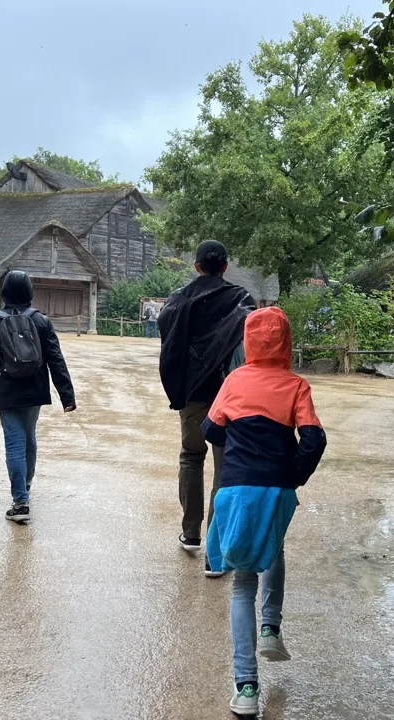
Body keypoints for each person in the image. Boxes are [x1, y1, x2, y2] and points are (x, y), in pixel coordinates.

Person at [201, 307, 327, 716]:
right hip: (277, 490)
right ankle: (271, 627)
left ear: (248, 341)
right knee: (274, 547)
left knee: (241, 584)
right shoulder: (297, 386)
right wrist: (294, 476)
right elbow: (313, 439)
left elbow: (210, 430)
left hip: (235, 489)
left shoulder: (235, 381)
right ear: (286, 343)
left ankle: (246, 688)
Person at [158, 240, 255, 575]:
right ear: (225, 266)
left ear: (197, 266)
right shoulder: (241, 300)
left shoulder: (178, 300)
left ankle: (190, 533)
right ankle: (216, 554)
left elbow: (168, 340)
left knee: (191, 456)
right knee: (224, 468)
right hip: (231, 393)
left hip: (194, 394)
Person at [0, 270, 76, 523]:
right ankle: (25, 487)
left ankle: (20, 502)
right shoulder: (41, 321)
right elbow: (56, 359)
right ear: (29, 292)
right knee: (29, 436)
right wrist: (67, 396)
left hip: (7, 391)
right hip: (35, 390)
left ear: (5, 292)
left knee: (14, 443)